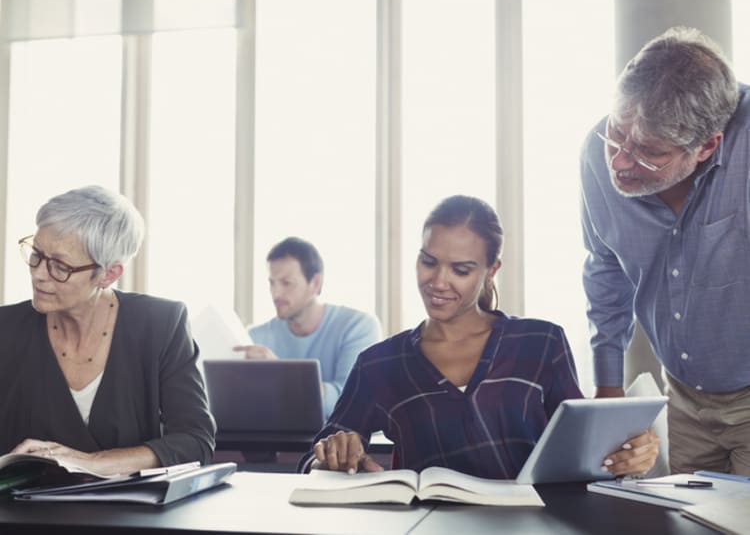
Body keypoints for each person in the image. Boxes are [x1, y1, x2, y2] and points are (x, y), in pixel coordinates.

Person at [299, 195, 658, 478]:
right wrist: (333, 454)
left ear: (491, 271)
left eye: (461, 269)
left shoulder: (541, 342)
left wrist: (630, 455)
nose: (438, 282)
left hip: (532, 527)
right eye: (428, 261)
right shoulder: (379, 364)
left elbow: (585, 451)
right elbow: (312, 462)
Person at [580, 26, 750, 475]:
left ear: (707, 145)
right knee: (692, 523)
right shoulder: (596, 157)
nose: (617, 160)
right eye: (616, 134)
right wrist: (609, 390)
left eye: (647, 153)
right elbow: (604, 273)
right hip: (684, 395)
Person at [0, 185, 216, 476]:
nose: (38, 274)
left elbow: (195, 441)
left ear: (108, 274)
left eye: (59, 266)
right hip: (21, 516)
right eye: (36, 254)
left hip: (131, 516)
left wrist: (92, 462)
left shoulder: (161, 324)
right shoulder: (7, 328)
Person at [233, 237, 381, 418]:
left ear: (315, 283)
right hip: (269, 441)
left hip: (333, 444)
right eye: (272, 283)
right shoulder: (255, 338)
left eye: (287, 283)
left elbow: (352, 403)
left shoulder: (358, 327)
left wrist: (280, 374)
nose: (275, 293)